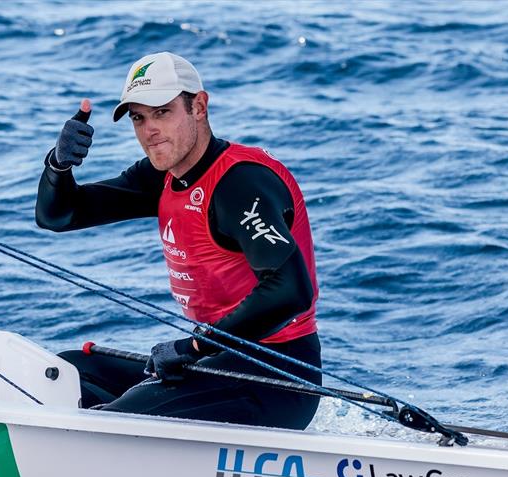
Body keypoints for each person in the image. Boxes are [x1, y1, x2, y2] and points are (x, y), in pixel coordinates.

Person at [35, 52, 321, 430]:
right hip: (215, 362)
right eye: (139, 117)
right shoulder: (163, 176)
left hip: (277, 378)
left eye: (162, 112)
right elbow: (59, 214)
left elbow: (290, 290)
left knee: (118, 420)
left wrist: (194, 347)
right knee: (65, 371)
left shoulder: (240, 184)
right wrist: (58, 165)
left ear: (199, 107)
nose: (149, 129)